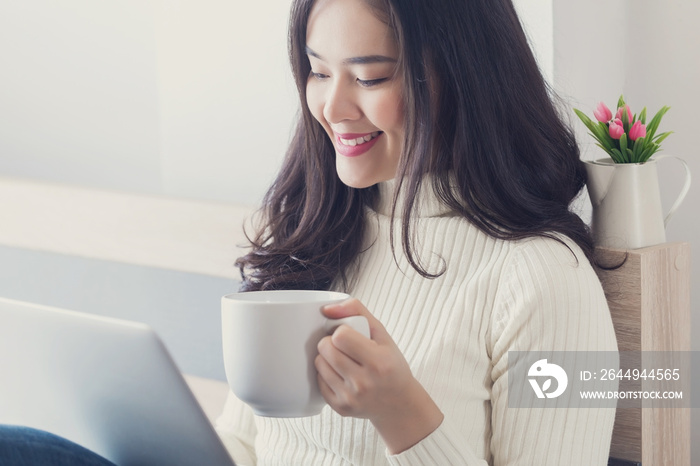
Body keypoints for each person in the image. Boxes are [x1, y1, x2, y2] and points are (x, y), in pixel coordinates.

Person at [216, 0, 618, 464]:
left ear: (464, 77)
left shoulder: (547, 279)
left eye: (370, 77)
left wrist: (401, 414)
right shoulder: (311, 227)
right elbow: (241, 442)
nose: (332, 108)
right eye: (318, 72)